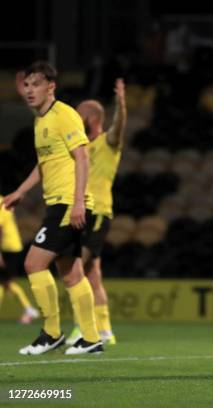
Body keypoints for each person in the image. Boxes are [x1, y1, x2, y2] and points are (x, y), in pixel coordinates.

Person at [5, 61, 102, 355]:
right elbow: (44, 164)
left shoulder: (65, 115)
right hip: (58, 203)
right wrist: (21, 191)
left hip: (67, 203)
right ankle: (91, 338)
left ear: (51, 86)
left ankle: (51, 333)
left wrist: (76, 202)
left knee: (33, 264)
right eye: (27, 85)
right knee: (71, 274)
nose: (30, 90)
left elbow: (82, 158)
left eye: (36, 84)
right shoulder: (40, 121)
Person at [66, 78, 126, 346]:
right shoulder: (82, 148)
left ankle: (84, 329)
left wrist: (121, 105)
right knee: (92, 274)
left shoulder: (106, 143)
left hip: (97, 211)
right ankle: (104, 331)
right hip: (84, 210)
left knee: (73, 267)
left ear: (90, 117)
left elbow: (118, 129)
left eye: (79, 113)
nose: (75, 118)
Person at [0, 195, 39, 323]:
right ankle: (28, 309)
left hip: (8, 248)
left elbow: (0, 229)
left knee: (4, 282)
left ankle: (29, 309)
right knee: (6, 282)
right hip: (11, 246)